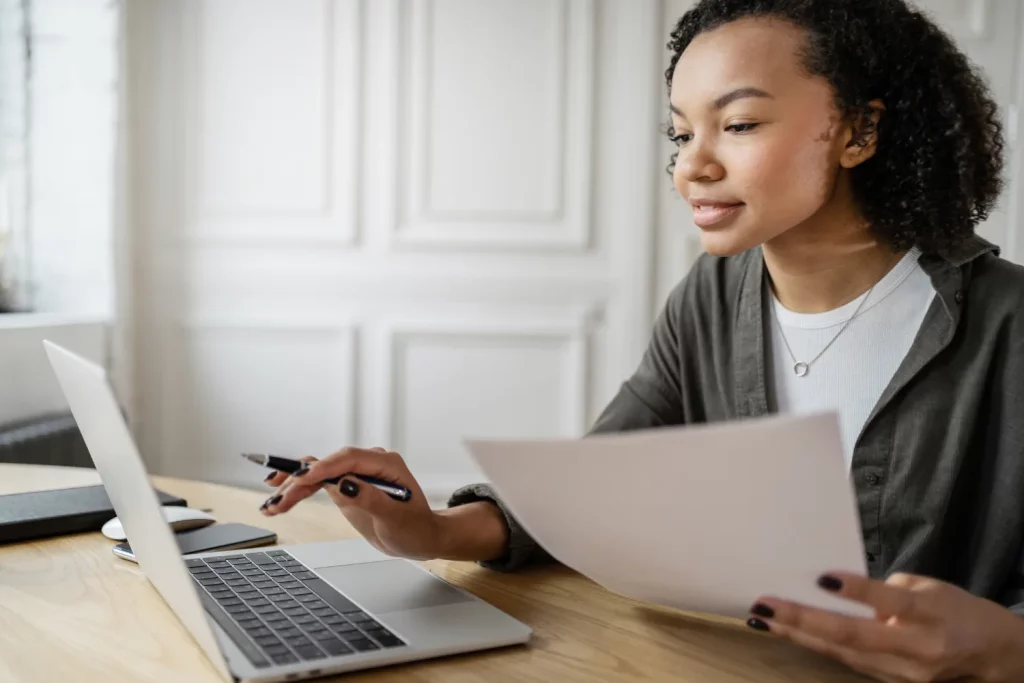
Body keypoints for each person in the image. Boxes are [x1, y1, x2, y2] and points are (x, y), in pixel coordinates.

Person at [257, 0, 1024, 679]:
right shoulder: (711, 297)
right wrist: (431, 529)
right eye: (681, 132)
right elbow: (598, 488)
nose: (693, 164)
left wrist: (1002, 647)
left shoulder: (1009, 324)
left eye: (740, 124)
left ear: (860, 130)